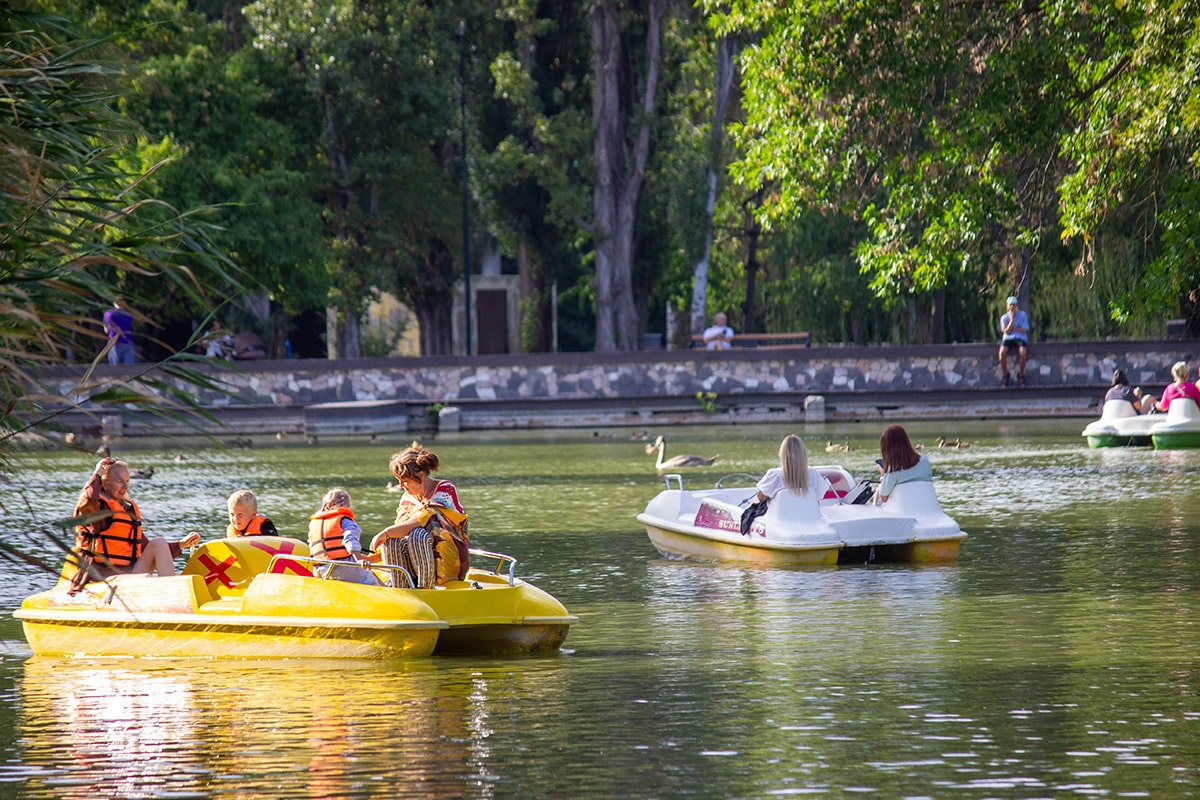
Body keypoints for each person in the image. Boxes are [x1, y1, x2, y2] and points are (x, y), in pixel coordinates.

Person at [66, 457, 200, 594]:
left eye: (127, 481)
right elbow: (87, 502)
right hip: (101, 578)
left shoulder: (127, 511)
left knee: (159, 543)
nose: (124, 487)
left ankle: (172, 594)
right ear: (104, 483)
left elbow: (144, 548)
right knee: (144, 579)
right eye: (119, 482)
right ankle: (167, 596)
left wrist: (181, 544)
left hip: (128, 575)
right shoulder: (97, 511)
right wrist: (97, 473)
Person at [370, 442, 469, 589]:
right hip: (416, 561)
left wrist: (386, 532)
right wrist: (369, 558)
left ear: (421, 475)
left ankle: (426, 588)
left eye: (405, 481)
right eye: (398, 481)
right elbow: (399, 530)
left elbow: (425, 517)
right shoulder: (407, 498)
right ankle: (401, 587)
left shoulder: (446, 489)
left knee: (417, 534)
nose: (401, 486)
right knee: (392, 540)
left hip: (450, 562)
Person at [308, 487, 379, 585]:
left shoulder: (314, 523)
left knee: (369, 573)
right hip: (343, 568)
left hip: (320, 569)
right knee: (373, 581)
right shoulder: (344, 520)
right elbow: (350, 540)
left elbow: (312, 546)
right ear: (346, 504)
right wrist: (359, 559)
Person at [755, 435, 831, 504]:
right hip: (808, 514)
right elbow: (820, 495)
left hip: (780, 514)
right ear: (803, 453)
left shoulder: (775, 475)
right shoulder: (813, 473)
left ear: (782, 454)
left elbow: (761, 497)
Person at [877, 424, 933, 504]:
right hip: (927, 504)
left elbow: (884, 497)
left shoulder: (893, 469)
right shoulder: (924, 460)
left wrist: (883, 475)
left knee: (878, 492)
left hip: (904, 507)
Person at [998, 295, 1029, 387]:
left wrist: (1012, 328)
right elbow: (1006, 331)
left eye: (1014, 305)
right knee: (1002, 353)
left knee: (1023, 353)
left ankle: (1021, 375)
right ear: (1007, 306)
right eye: (1010, 305)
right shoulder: (1004, 318)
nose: (1012, 307)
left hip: (1020, 338)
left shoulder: (1023, 315)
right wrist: (1011, 320)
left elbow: (1024, 330)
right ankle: (1005, 374)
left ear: (1017, 306)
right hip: (1008, 338)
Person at [102, 299, 135, 365]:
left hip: (114, 342)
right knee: (130, 368)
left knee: (115, 368)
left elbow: (106, 330)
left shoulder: (109, 313)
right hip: (128, 342)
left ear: (114, 302)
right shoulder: (129, 315)